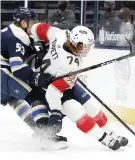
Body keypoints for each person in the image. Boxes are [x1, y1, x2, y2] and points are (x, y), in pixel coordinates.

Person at [30, 22, 129, 150]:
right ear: (78, 45)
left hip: (61, 81)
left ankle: (111, 133)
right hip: (50, 90)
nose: (87, 50)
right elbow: (52, 92)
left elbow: (40, 27)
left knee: (92, 106)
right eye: (86, 47)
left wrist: (35, 38)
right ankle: (104, 138)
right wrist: (55, 111)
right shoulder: (71, 66)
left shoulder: (62, 34)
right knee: (76, 110)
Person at [0, 7, 67, 150]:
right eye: (32, 22)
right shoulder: (16, 37)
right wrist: (35, 77)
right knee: (35, 95)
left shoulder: (11, 33)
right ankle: (46, 136)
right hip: (3, 75)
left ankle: (39, 131)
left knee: (14, 100)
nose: (34, 24)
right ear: (23, 23)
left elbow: (26, 54)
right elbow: (17, 68)